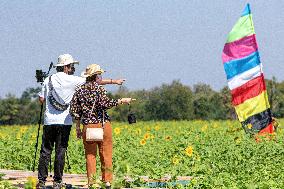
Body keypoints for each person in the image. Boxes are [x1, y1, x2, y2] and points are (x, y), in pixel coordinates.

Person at [37, 54, 125, 189]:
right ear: (66, 67)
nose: (73, 69)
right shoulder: (73, 80)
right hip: (65, 121)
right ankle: (57, 181)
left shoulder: (47, 80)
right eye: (72, 66)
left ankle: (42, 181)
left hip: (49, 121)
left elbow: (41, 100)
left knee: (45, 151)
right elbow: (94, 83)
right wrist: (114, 81)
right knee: (61, 150)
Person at [70, 64, 135, 189]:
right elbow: (106, 104)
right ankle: (107, 181)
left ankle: (92, 183)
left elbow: (75, 111)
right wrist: (121, 100)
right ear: (96, 76)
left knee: (90, 156)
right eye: (99, 74)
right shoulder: (99, 89)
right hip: (103, 125)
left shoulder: (79, 90)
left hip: (88, 126)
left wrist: (78, 128)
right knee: (106, 153)